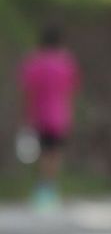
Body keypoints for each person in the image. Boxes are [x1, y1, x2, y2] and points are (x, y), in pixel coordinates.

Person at [17, 26, 81, 212]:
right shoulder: (66, 63)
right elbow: (71, 89)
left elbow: (26, 91)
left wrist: (24, 115)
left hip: (38, 115)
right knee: (54, 153)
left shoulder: (33, 62)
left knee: (42, 153)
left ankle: (44, 190)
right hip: (60, 115)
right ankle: (48, 189)